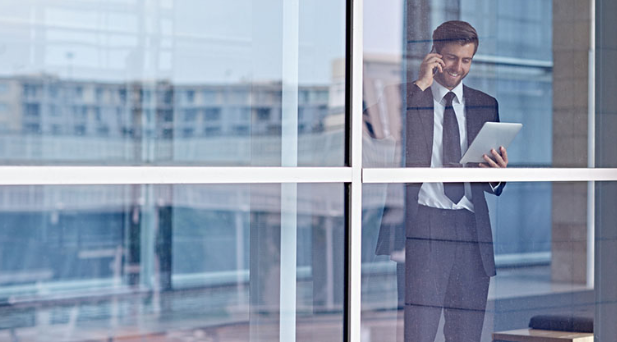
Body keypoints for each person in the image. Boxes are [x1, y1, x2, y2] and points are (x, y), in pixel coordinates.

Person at [403, 20, 508, 342]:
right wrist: (420, 85)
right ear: (434, 55)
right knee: (419, 331)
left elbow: (493, 181)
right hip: (425, 225)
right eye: (450, 58)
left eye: (466, 60)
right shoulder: (410, 96)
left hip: (470, 229)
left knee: (466, 334)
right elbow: (379, 131)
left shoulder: (485, 103)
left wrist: (497, 174)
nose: (457, 68)